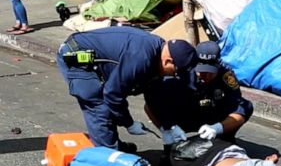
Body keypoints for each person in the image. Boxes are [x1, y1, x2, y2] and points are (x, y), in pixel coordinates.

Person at [56, 27, 198, 153]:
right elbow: (113, 94)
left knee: (111, 105)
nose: (174, 75)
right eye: (175, 71)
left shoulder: (158, 54)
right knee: (99, 106)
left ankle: (112, 145)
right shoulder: (142, 57)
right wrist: (129, 123)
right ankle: (108, 157)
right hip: (76, 56)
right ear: (167, 61)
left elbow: (154, 94)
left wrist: (167, 127)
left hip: (97, 63)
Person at [144, 40, 253, 150]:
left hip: (211, 115)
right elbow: (154, 99)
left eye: (210, 72)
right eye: (201, 71)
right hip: (185, 114)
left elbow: (238, 107)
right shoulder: (182, 70)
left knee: (246, 107)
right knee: (151, 106)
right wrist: (167, 128)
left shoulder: (226, 76)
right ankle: (171, 143)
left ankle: (223, 138)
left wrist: (218, 128)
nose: (205, 76)